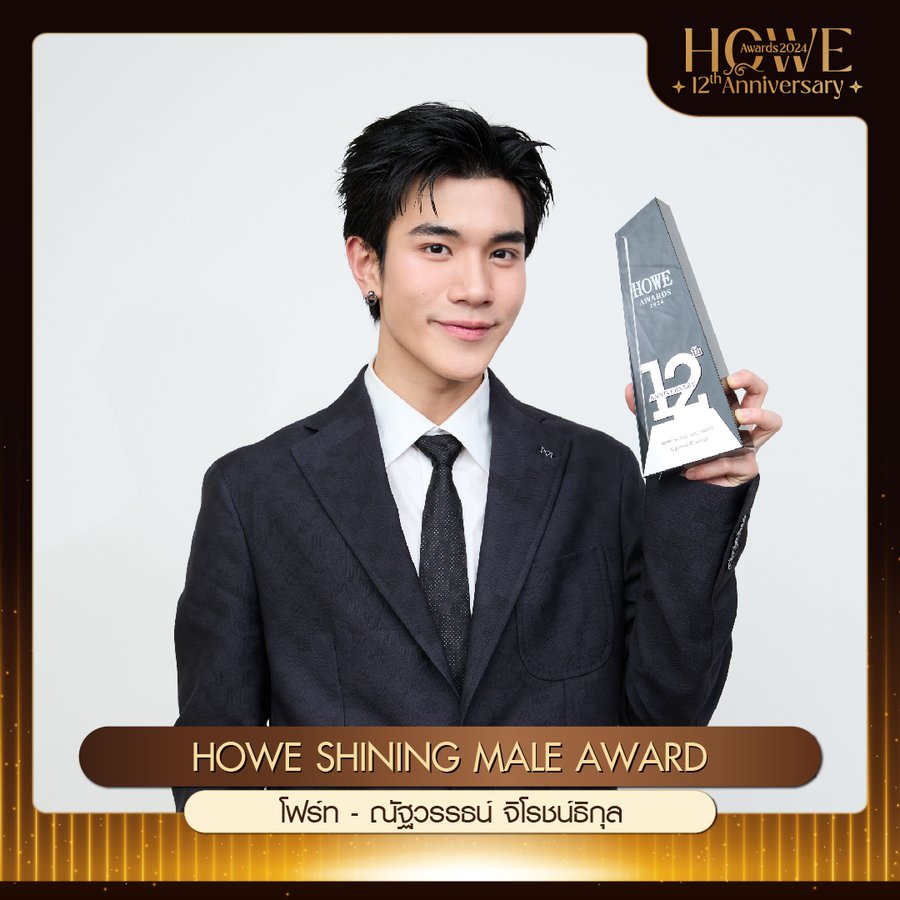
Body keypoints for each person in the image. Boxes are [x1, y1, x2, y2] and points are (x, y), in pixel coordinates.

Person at [173, 102, 781, 810]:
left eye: (503, 253)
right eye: (437, 248)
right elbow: (211, 773)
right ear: (367, 264)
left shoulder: (598, 475)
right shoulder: (255, 492)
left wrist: (701, 491)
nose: (477, 289)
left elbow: (667, 728)